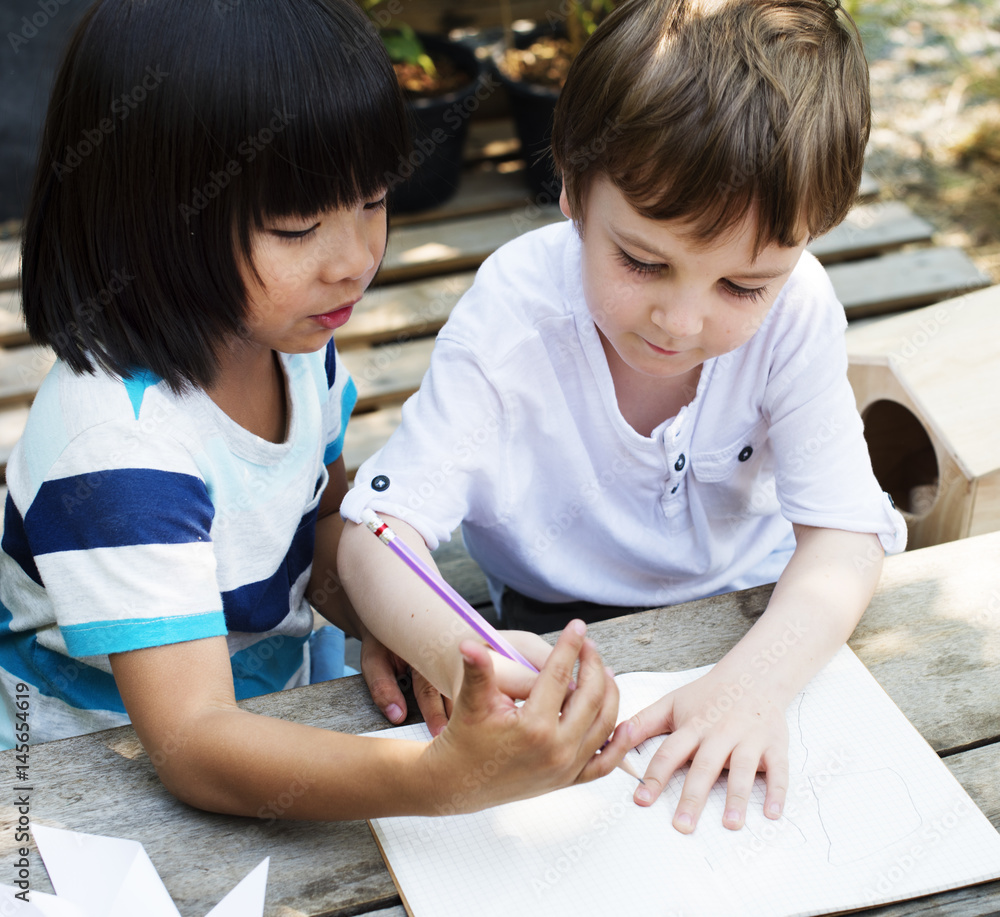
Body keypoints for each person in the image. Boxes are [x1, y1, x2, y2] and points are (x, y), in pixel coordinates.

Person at [0, 0, 627, 818]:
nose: (355, 262)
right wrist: (439, 782)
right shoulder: (117, 448)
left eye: (373, 201)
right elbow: (193, 742)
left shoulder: (288, 337)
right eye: (297, 227)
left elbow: (324, 524)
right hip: (96, 770)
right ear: (147, 218)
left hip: (280, 697)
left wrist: (439, 641)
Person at [339, 0, 908, 833]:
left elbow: (846, 537)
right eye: (643, 261)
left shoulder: (799, 311)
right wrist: (459, 651)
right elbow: (379, 533)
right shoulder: (514, 313)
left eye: (743, 285)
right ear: (570, 186)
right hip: (547, 625)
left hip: (755, 609)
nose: (681, 322)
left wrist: (755, 683)